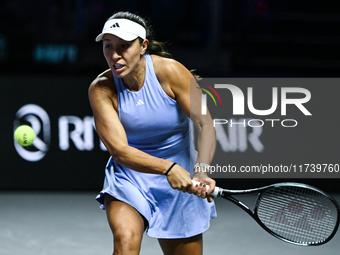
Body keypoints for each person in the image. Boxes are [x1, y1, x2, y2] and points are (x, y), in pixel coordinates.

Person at [88, 11, 217, 255]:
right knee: (126, 239)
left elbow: (205, 124)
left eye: (124, 46)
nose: (115, 55)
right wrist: (167, 168)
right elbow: (120, 151)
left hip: (180, 177)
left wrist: (200, 170)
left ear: (143, 45)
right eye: (108, 47)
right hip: (130, 176)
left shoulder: (171, 72)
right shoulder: (101, 89)